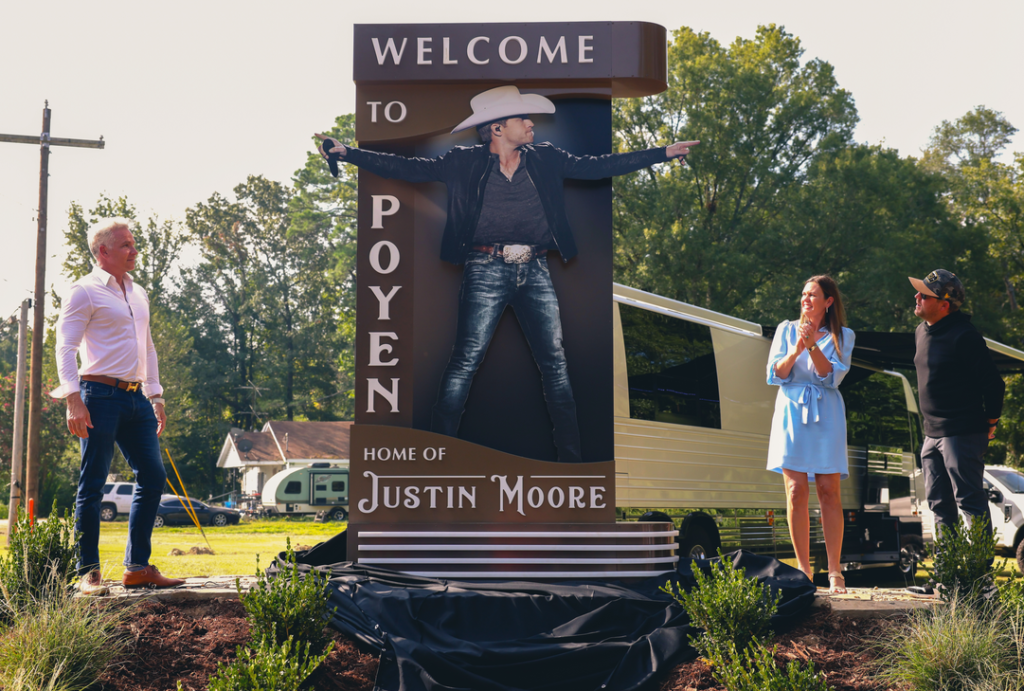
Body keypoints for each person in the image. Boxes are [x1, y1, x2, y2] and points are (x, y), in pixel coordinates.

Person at [317, 85, 698, 463]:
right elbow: (407, 168)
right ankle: (434, 456)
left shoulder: (546, 157)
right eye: (522, 118)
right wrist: (347, 153)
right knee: (466, 359)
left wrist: (662, 153)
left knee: (555, 362)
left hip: (535, 268)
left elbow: (598, 165)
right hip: (485, 268)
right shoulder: (462, 161)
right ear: (497, 128)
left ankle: (572, 462)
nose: (532, 124)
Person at [51, 218, 184, 594]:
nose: (134, 249)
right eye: (126, 244)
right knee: (93, 483)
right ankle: (88, 573)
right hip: (97, 396)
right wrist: (73, 399)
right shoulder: (84, 292)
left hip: (136, 398)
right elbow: (65, 347)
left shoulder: (138, 292)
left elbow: (149, 346)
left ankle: (137, 567)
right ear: (103, 251)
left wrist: (156, 395)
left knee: (154, 476)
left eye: (134, 243)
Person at [766, 275, 855, 594]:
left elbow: (831, 376)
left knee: (829, 490)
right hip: (791, 410)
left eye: (813, 295)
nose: (805, 300)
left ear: (828, 301)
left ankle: (834, 571)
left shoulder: (844, 335)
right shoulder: (785, 329)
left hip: (826, 413)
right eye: (803, 294)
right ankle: (803, 571)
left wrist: (813, 345)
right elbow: (776, 373)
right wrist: (797, 348)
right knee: (795, 491)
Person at [910, 269, 1004, 541]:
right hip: (931, 435)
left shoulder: (966, 336)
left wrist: (991, 423)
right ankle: (947, 576)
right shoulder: (920, 331)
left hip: (962, 434)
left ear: (944, 304)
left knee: (970, 503)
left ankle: (980, 576)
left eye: (924, 295)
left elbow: (994, 385)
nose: (916, 297)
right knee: (939, 505)